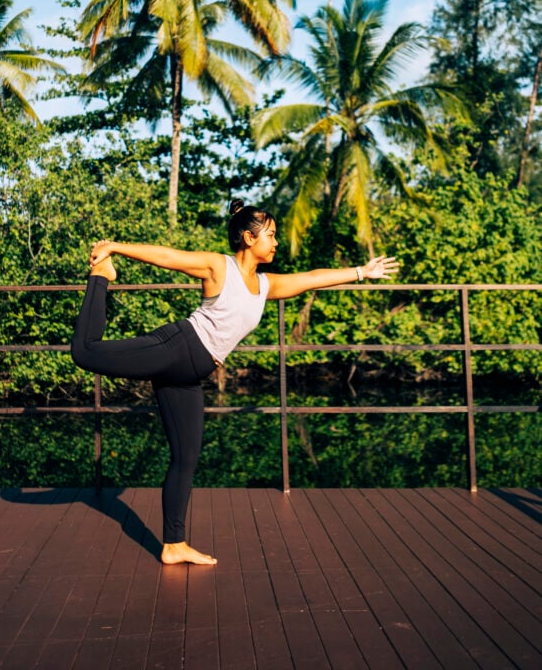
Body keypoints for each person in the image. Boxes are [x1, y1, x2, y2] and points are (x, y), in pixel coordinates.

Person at [71, 199, 399, 566]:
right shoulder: (218, 266)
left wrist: (360, 272)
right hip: (176, 348)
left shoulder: (264, 285)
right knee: (85, 352)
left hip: (189, 376)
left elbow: (308, 280)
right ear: (248, 237)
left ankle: (174, 545)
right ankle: (101, 276)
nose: (276, 243)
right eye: (271, 235)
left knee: (186, 458)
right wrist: (115, 248)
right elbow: (167, 256)